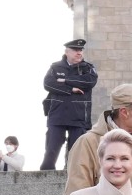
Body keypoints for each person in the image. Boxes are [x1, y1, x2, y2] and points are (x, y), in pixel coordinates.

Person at [41, 39, 98, 170]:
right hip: (57, 115)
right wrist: (70, 89)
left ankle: (73, 176)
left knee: (76, 153)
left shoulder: (88, 68)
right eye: (75, 50)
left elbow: (89, 82)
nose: (79, 53)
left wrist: (64, 80)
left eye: (80, 50)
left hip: (79, 117)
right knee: (51, 151)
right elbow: (48, 83)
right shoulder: (55, 67)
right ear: (67, 52)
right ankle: (44, 178)